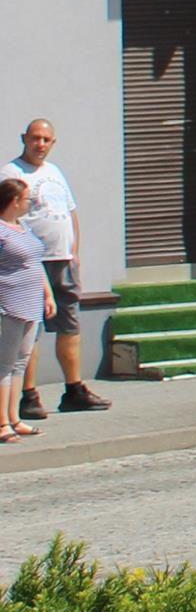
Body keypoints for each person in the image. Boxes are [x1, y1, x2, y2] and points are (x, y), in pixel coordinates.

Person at [7, 122, 102, 418]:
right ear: (24, 139)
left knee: (69, 322)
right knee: (31, 327)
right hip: (31, 262)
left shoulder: (55, 172)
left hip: (63, 259)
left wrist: (74, 253)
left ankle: (74, 389)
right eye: (35, 138)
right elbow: (8, 218)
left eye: (46, 139)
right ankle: (29, 394)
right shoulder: (11, 173)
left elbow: (70, 213)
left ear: (53, 142)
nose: (40, 144)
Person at [0, 178, 44, 445]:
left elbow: (35, 263)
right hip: (8, 304)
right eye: (28, 199)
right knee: (3, 364)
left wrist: (47, 294)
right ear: (14, 201)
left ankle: (14, 418)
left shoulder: (22, 227)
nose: (30, 204)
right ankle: (2, 423)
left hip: (31, 302)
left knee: (19, 363)